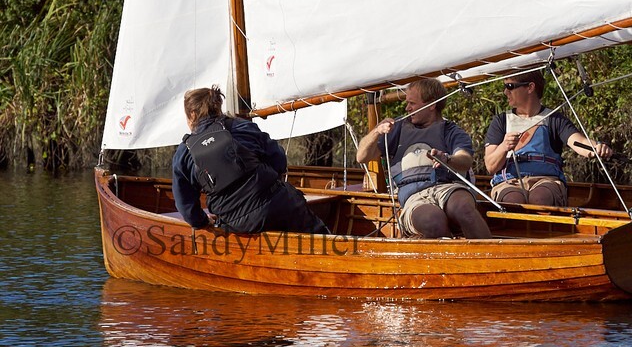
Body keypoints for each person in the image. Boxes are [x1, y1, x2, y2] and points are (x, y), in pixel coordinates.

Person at [172, 86, 328, 234]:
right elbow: (279, 160)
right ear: (217, 107)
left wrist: (201, 221)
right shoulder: (243, 127)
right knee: (319, 234)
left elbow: (185, 204)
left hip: (237, 224)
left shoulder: (184, 152)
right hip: (280, 204)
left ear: (192, 114)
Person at [356, 78, 491, 239]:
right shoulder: (397, 128)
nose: (407, 108)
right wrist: (376, 131)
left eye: (412, 103)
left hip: (447, 188)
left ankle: (492, 260)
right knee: (433, 221)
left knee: (464, 210)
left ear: (431, 105)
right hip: (414, 197)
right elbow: (361, 157)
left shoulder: (451, 131)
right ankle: (453, 260)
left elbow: (465, 159)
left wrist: (447, 159)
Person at [484, 70, 612, 206]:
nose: (505, 92)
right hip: (509, 181)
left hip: (546, 180)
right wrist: (504, 146)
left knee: (540, 198)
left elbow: (579, 142)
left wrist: (597, 147)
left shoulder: (554, 119)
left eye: (510, 87)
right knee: (513, 200)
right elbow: (491, 166)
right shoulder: (501, 121)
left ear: (530, 87)